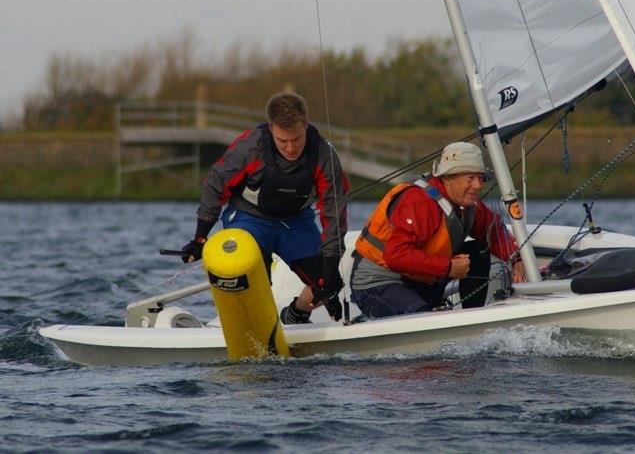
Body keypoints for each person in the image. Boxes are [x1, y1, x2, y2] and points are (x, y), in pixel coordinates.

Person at [181, 92, 349, 324]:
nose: (290, 148)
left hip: (296, 223)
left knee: (329, 284)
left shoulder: (324, 156)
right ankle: (253, 318)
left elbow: (334, 212)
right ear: (271, 129)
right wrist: (200, 237)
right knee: (252, 278)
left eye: (297, 139)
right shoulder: (250, 147)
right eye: (283, 141)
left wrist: (331, 266)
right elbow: (215, 186)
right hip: (249, 219)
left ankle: (296, 314)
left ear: (306, 126)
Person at [349, 141, 525, 318]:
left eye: (480, 178)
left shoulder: (468, 203)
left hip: (419, 279)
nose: (478, 185)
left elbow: (493, 230)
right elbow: (395, 255)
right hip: (378, 283)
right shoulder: (419, 201)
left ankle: (472, 318)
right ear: (448, 178)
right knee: (423, 319)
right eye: (470, 178)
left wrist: (515, 257)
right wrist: (448, 267)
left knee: (480, 250)